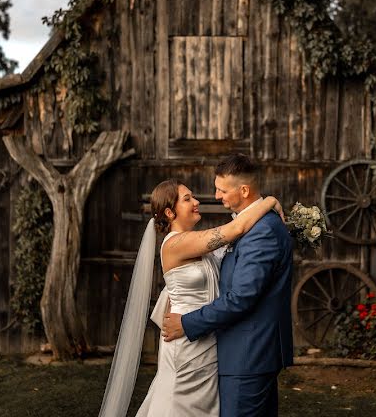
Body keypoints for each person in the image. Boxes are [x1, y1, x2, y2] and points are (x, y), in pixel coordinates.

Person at [97, 175, 283, 417]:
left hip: (206, 339)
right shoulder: (175, 244)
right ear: (170, 213)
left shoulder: (197, 242)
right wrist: (268, 201)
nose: (196, 201)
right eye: (187, 199)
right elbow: (236, 228)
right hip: (186, 345)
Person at [162, 154, 294, 417]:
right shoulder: (247, 225)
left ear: (243, 190)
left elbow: (241, 297)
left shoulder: (261, 230)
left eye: (222, 189)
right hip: (235, 349)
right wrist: (269, 201)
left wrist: (187, 323)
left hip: (248, 352)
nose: (215, 195)